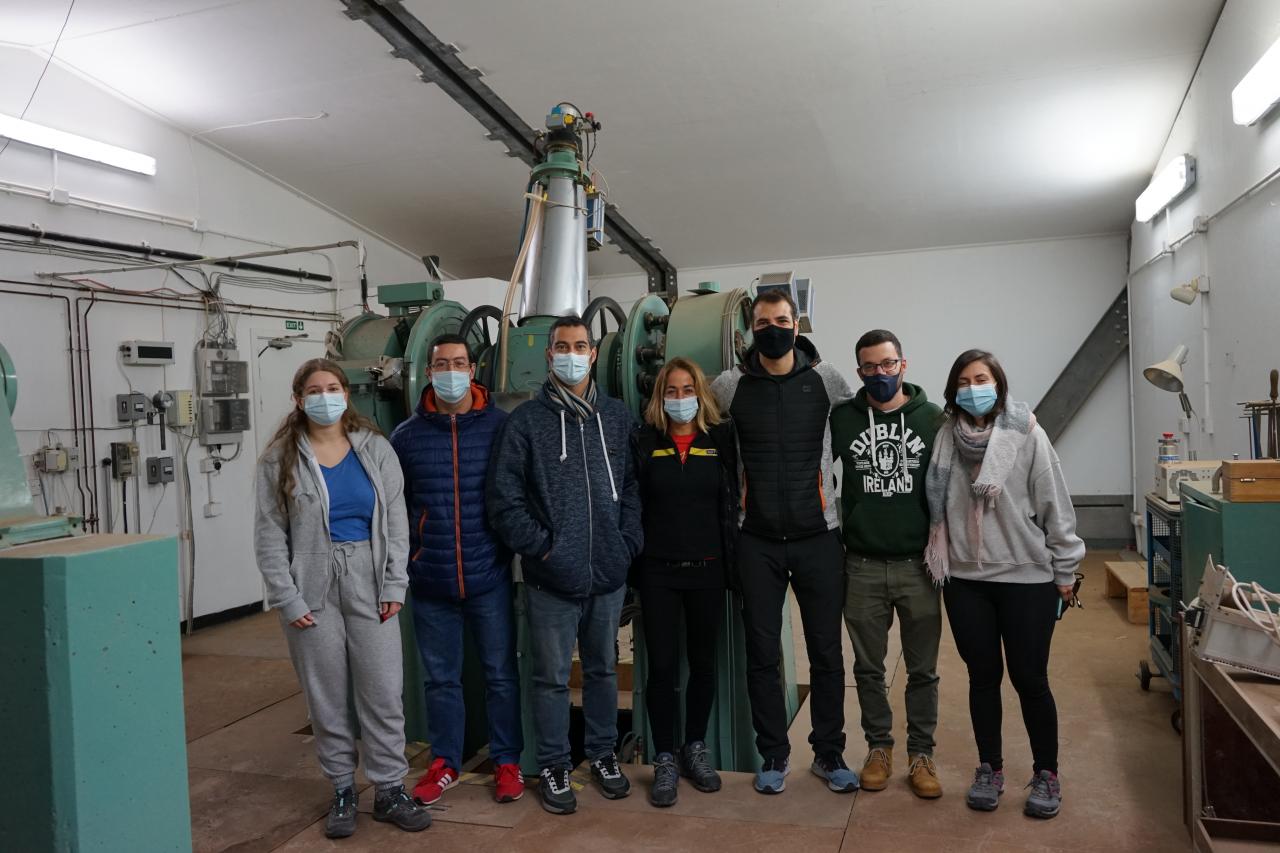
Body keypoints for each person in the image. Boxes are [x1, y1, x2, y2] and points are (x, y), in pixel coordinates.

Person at [253, 358, 431, 839]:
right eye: (315, 390)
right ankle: (341, 789)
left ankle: (390, 788)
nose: (325, 397)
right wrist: (288, 599)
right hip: (311, 586)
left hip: (369, 581)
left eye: (333, 388)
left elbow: (397, 522)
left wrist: (395, 583)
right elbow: (269, 537)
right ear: (298, 399)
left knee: (382, 690)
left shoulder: (375, 449)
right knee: (326, 696)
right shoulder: (279, 459)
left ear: (346, 395)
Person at [487, 315, 644, 816]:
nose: (571, 354)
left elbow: (633, 490)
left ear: (593, 354)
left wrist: (626, 544)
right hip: (550, 580)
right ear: (548, 355)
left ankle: (601, 754)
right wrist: (545, 549)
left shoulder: (617, 418)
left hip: (607, 577)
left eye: (580, 345)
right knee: (552, 676)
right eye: (562, 346)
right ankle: (554, 762)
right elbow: (505, 501)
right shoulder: (526, 422)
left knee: (602, 671)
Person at [924, 349, 1084, 819]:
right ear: (953, 390)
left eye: (983, 378)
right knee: (982, 678)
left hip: (1026, 578)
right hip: (966, 580)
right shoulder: (945, 438)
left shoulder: (1027, 434)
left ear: (999, 384)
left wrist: (1066, 570)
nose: (974, 387)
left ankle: (1046, 773)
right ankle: (989, 768)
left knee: (1030, 679)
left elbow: (1055, 503)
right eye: (965, 380)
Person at [710, 289, 856, 796]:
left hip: (820, 537)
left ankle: (829, 754)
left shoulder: (827, 380)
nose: (773, 327)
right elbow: (685, 415)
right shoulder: (730, 386)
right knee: (762, 653)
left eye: (782, 319)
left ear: (798, 325)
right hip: (758, 542)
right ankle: (774, 754)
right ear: (750, 329)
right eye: (763, 320)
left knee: (826, 654)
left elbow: (878, 412)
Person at [389, 334, 524, 807]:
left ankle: (507, 761)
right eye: (442, 363)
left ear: (473, 370)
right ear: (429, 372)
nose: (451, 371)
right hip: (431, 581)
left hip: (488, 575)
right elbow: (394, 511)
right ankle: (444, 762)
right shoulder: (405, 437)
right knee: (440, 679)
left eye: (460, 362)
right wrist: (410, 561)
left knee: (500, 674)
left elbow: (516, 497)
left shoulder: (501, 427)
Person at [831, 329, 944, 799]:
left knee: (924, 670)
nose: (881, 374)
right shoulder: (842, 419)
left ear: (904, 364)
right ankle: (879, 747)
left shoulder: (932, 419)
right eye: (871, 367)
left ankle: (922, 753)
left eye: (888, 364)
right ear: (859, 372)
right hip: (862, 565)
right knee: (867, 668)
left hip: (919, 565)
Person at [634, 357, 740, 808]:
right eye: (671, 392)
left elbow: (734, 500)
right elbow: (633, 505)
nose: (680, 399)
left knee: (702, 666)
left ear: (701, 394)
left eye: (687, 390)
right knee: (661, 669)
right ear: (660, 398)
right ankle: (663, 758)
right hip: (657, 572)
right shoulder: (645, 442)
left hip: (708, 571)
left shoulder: (720, 440)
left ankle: (694, 748)